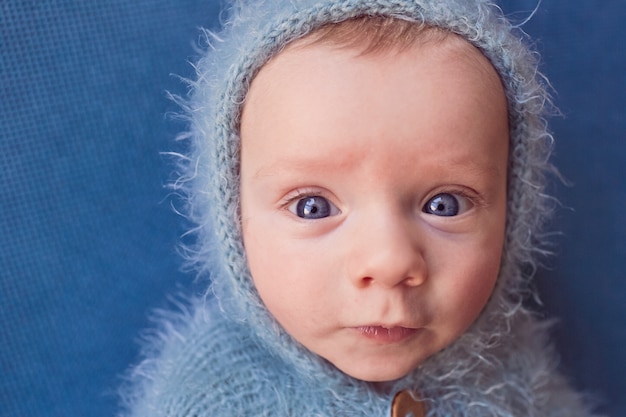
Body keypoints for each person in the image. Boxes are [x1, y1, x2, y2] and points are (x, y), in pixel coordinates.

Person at [120, 0, 601, 415]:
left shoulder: (516, 367)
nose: (389, 262)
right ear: (232, 216)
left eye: (445, 204)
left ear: (512, 212)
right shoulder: (210, 395)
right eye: (312, 207)